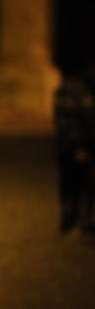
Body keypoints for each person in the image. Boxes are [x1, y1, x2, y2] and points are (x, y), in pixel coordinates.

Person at [53, 73, 95, 234]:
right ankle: (71, 219)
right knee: (74, 182)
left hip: (85, 144)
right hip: (74, 146)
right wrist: (77, 146)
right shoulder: (71, 90)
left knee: (86, 183)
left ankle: (83, 219)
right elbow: (67, 122)